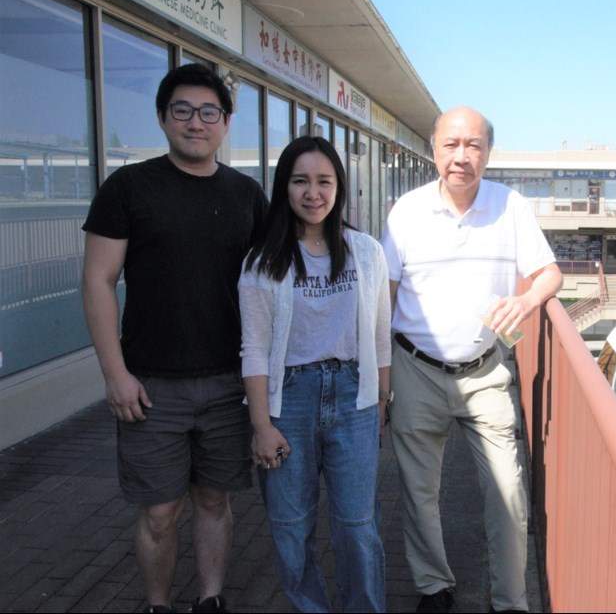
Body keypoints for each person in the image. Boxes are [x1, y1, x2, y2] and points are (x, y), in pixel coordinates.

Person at [81, 63, 268, 613]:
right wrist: (115, 375)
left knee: (214, 499)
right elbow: (97, 280)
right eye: (182, 110)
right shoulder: (128, 188)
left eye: (209, 112)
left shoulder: (246, 195)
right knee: (160, 512)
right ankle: (158, 604)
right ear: (164, 118)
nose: (195, 122)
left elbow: (270, 286)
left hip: (228, 382)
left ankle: (210, 599)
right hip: (150, 387)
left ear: (226, 123)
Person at [380, 106, 563, 613]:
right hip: (415, 367)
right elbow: (384, 298)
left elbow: (550, 274)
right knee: (418, 493)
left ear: (487, 152)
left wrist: (527, 301)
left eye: (474, 145)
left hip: (485, 371)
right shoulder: (407, 212)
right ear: (434, 149)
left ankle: (510, 601)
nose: (462, 156)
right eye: (451, 145)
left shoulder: (511, 206)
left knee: (508, 496)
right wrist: (380, 378)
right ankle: (434, 587)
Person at [238, 136, 391, 612]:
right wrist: (261, 425)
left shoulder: (365, 252)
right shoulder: (263, 261)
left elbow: (381, 332)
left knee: (357, 524)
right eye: (300, 181)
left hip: (354, 396)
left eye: (324, 181)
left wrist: (381, 400)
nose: (313, 192)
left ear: (339, 187)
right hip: (291, 399)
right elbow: (256, 349)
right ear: (284, 187)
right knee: (290, 523)